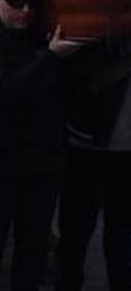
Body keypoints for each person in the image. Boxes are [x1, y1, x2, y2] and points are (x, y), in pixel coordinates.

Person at [0, 0, 83, 291]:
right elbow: (3, 92)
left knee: (33, 251)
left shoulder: (42, 38)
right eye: (16, 3)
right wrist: (50, 58)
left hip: (42, 164)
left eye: (31, 4)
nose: (26, 11)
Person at [56, 33, 131, 291]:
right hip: (90, 148)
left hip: (124, 152)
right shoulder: (104, 33)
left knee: (120, 233)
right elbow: (83, 83)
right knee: (76, 230)